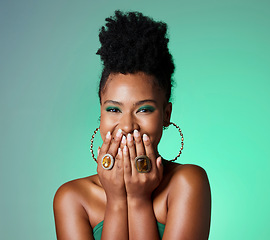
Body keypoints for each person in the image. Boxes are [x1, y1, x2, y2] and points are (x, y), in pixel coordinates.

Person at [53, 10, 211, 240]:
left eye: (144, 109)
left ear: (166, 114)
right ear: (100, 113)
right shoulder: (73, 198)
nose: (127, 126)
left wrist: (138, 200)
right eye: (114, 109)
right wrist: (117, 200)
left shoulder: (187, 183)